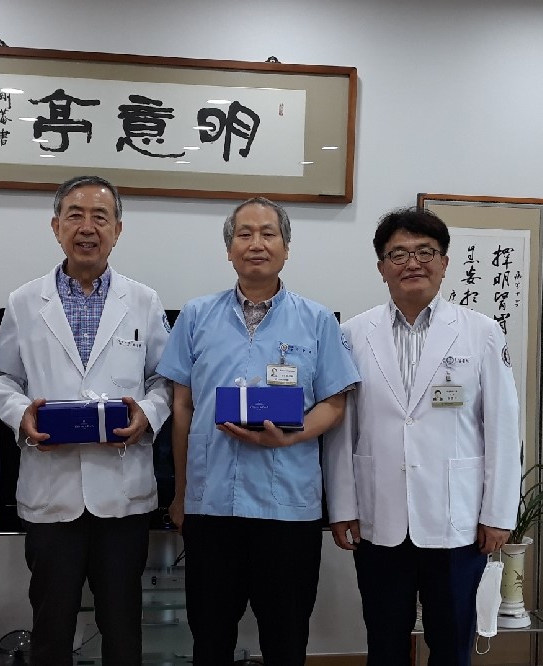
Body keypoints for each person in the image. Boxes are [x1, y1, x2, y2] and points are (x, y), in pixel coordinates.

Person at [156, 197, 360, 666]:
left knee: (286, 640)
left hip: (287, 508)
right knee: (210, 639)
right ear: (229, 249)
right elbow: (182, 406)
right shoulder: (196, 315)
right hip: (211, 505)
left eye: (269, 233)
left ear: (286, 247)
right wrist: (181, 493)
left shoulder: (316, 320)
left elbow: (335, 403)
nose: (256, 243)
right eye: (244, 234)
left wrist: (290, 436)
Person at [323, 207, 521, 666]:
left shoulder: (481, 332)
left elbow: (503, 426)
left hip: (458, 518)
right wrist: (343, 506)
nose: (412, 262)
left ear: (444, 262)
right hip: (379, 515)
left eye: (425, 252)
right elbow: (341, 429)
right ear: (381, 267)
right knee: (384, 642)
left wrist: (497, 513)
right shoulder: (352, 334)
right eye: (399, 254)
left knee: (451, 644)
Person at [0, 175, 172, 666]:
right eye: (75, 215)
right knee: (51, 627)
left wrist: (147, 414)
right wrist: (22, 415)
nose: (87, 227)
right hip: (52, 493)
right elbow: (2, 378)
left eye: (100, 217)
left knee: (122, 626)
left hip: (123, 495)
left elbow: (165, 380)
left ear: (118, 229)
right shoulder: (24, 301)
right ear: (56, 227)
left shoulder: (144, 301)